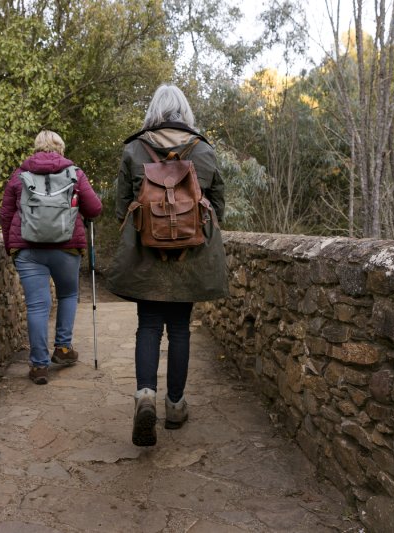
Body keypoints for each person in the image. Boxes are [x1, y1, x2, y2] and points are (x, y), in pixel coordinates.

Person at [106, 84, 229, 446]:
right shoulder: (203, 150)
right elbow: (218, 203)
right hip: (190, 257)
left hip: (146, 255)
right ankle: (175, 406)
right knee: (179, 330)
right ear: (185, 112)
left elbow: (120, 208)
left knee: (148, 327)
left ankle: (145, 396)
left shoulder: (134, 149)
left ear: (154, 111)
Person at [0, 130, 102, 385]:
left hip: (29, 250)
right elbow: (95, 209)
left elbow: (5, 213)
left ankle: (38, 366)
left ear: (36, 148)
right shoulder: (74, 173)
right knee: (68, 294)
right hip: (66, 248)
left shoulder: (19, 176)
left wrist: (9, 246)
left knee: (37, 306)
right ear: (61, 148)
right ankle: (63, 349)